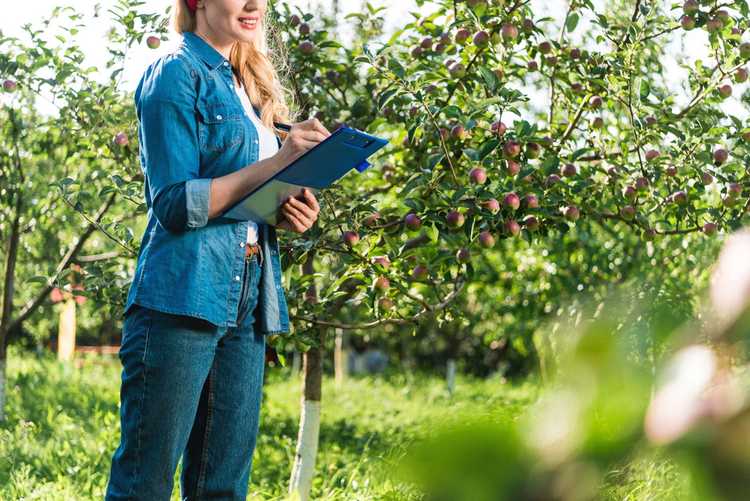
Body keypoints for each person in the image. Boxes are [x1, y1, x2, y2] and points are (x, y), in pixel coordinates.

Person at [105, 0, 330, 499]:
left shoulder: (247, 84)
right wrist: (278, 165)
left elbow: (242, 199)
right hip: (182, 294)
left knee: (223, 487)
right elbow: (175, 203)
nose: (254, 5)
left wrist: (285, 209)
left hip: (248, 297)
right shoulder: (175, 73)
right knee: (145, 482)